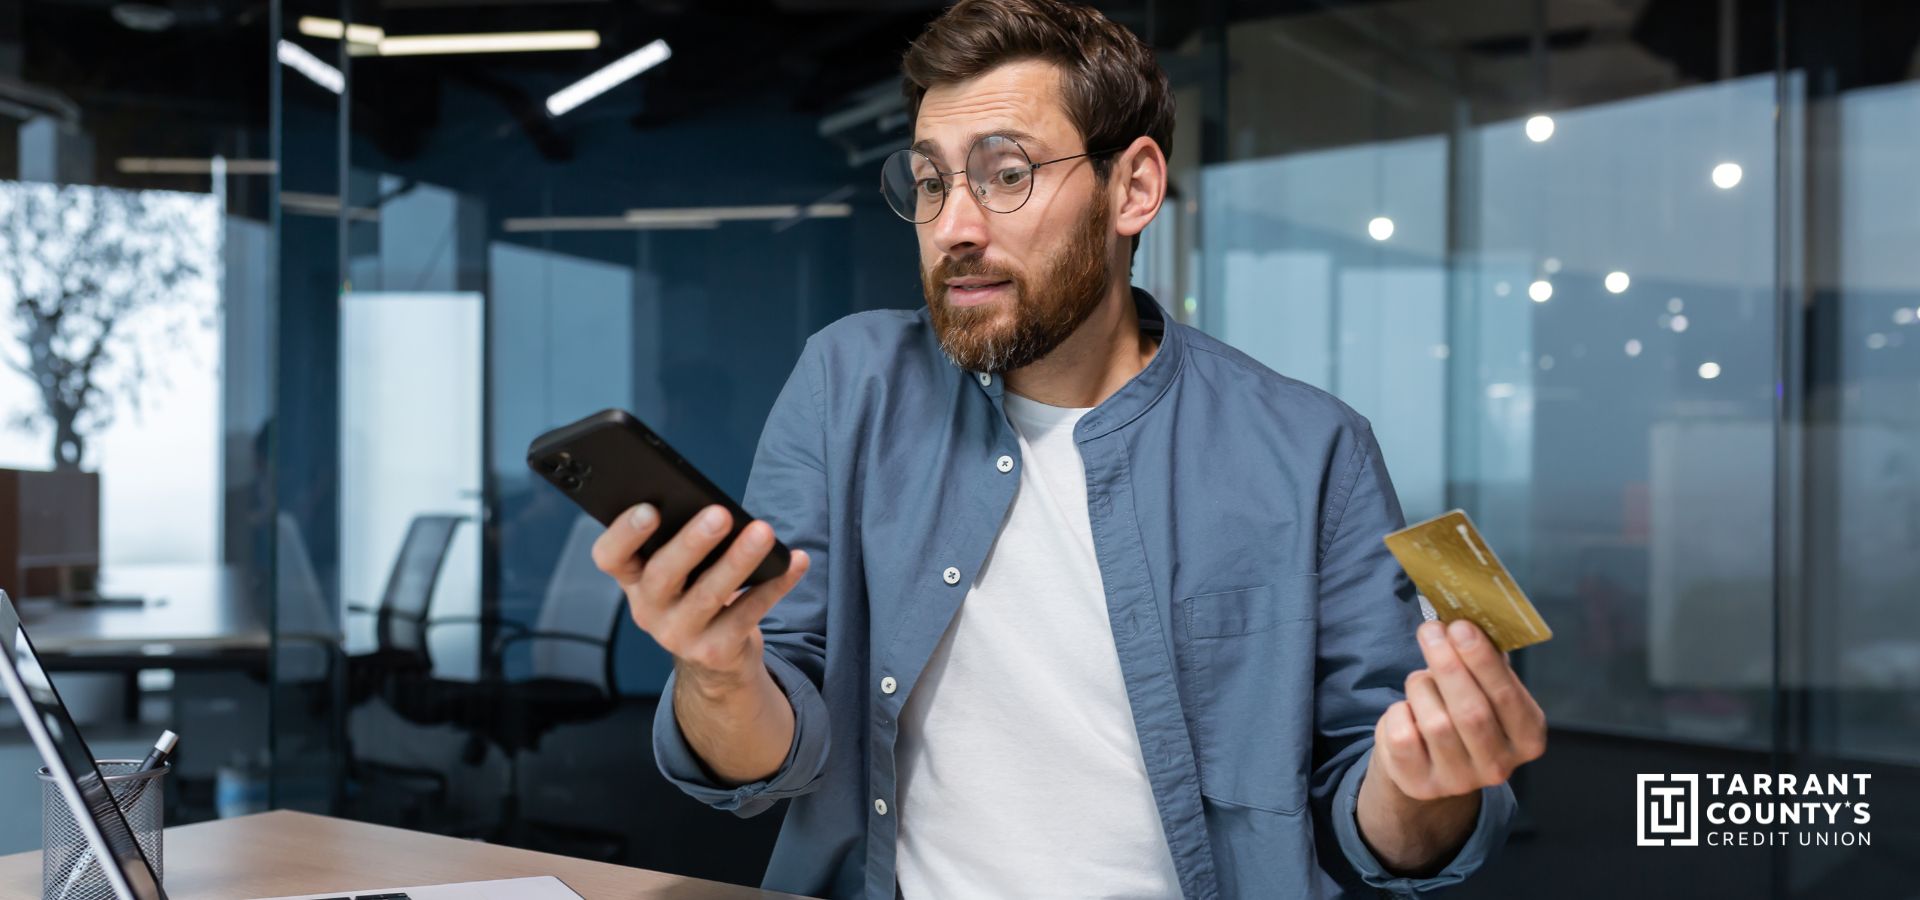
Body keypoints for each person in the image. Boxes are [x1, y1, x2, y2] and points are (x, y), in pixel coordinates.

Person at [592, 1, 1545, 896]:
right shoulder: (850, 384)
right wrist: (720, 672)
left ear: (1133, 187)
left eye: (1007, 174)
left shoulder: (1311, 448)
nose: (954, 228)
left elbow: (1368, 818)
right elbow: (769, 752)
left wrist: (1430, 779)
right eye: (930, 181)